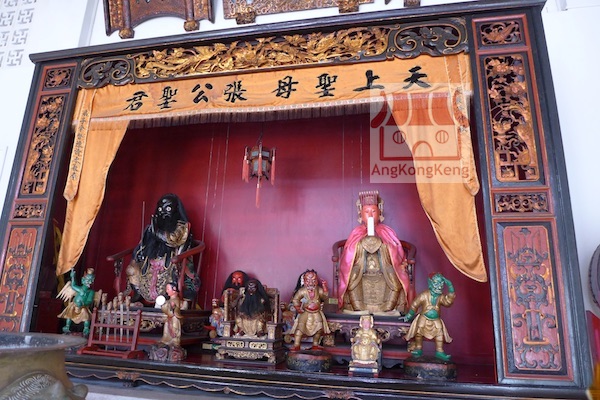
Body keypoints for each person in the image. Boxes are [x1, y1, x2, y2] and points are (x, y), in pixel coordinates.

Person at [337, 190, 413, 315]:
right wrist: (361, 245)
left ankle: (388, 308)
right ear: (361, 214)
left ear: (379, 213)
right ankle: (358, 308)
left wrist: (383, 246)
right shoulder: (356, 233)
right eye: (367, 212)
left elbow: (395, 250)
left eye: (373, 211)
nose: (370, 215)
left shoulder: (387, 232)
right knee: (352, 279)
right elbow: (349, 254)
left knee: (395, 280)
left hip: (384, 268)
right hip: (361, 268)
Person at [125, 193, 200, 305]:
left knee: (173, 273)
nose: (163, 212)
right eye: (160, 209)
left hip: (172, 261)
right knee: (132, 269)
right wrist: (138, 253)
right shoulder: (152, 227)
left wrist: (156, 231)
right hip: (150, 262)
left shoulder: (182, 227)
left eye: (168, 209)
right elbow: (142, 245)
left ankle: (168, 298)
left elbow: (173, 239)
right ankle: (138, 293)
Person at [403, 272, 455, 361]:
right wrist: (409, 315)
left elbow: (448, 302)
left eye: (441, 284)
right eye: (437, 283)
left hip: (436, 319)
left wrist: (450, 287)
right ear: (430, 283)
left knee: (439, 333)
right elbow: (415, 304)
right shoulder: (424, 295)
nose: (439, 286)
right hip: (424, 317)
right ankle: (418, 349)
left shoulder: (440, 297)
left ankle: (439, 351)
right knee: (419, 332)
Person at [290, 270, 330, 351]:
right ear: (304, 281)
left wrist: (324, 287)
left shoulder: (319, 289)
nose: (311, 283)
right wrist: (298, 308)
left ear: (317, 281)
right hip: (305, 312)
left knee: (319, 328)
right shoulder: (302, 291)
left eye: (313, 280)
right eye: (308, 281)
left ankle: (315, 344)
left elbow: (325, 297)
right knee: (300, 328)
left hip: (316, 312)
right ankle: (296, 344)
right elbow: (295, 299)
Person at [57, 268, 99, 336]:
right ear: (83, 280)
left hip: (82, 307)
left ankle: (86, 328)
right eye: (88, 280)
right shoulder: (79, 289)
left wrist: (83, 304)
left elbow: (89, 300)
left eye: (91, 280)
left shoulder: (91, 292)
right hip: (74, 305)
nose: (89, 282)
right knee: (70, 314)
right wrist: (73, 276)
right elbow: (73, 285)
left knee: (85, 315)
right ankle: (67, 326)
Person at [160, 282, 184, 347]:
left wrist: (169, 307)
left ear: (174, 289)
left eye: (168, 289)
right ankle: (166, 341)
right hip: (169, 318)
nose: (166, 291)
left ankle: (174, 342)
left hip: (174, 318)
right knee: (167, 331)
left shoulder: (176, 299)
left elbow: (176, 309)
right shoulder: (169, 300)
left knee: (174, 330)